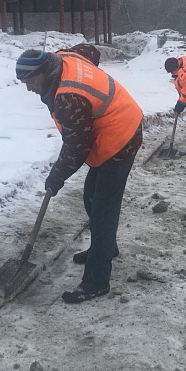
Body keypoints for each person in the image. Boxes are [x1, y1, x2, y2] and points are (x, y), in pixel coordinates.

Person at [16, 44, 143, 304]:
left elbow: (77, 145)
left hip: (120, 136)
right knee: (91, 195)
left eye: (29, 81)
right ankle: (106, 248)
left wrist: (56, 176)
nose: (28, 88)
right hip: (109, 129)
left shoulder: (68, 98)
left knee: (103, 209)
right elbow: (90, 52)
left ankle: (97, 280)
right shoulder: (63, 58)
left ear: (42, 72)